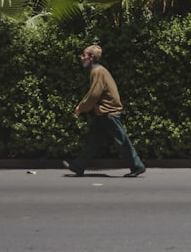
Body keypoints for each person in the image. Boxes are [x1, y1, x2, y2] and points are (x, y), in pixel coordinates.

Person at [63, 44, 147, 178]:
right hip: (103, 112)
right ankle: (78, 166)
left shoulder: (97, 71)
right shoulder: (98, 70)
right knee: (94, 140)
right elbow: (93, 93)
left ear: (91, 57)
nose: (81, 58)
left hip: (109, 112)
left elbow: (94, 94)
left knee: (122, 140)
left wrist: (81, 108)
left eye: (84, 55)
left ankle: (137, 166)